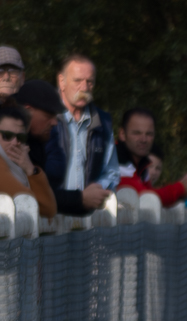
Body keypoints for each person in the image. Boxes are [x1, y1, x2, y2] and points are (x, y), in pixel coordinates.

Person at [46, 54, 117, 216]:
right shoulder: (44, 117)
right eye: (77, 81)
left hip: (87, 217)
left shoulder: (103, 122)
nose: (84, 87)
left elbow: (111, 172)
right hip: (49, 214)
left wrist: (95, 192)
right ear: (61, 82)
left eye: (90, 82)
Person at [115, 107, 187, 208]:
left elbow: (153, 199)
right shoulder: (114, 162)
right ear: (122, 134)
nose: (143, 139)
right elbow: (145, 197)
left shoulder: (141, 165)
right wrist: (181, 188)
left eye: (149, 134)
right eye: (137, 133)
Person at [0, 105, 56, 217]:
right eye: (7, 136)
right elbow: (46, 207)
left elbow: (49, 209)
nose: (15, 142)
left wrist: (31, 169)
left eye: (20, 137)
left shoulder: (18, 168)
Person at [13, 79, 66, 178]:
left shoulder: (40, 139)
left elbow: (53, 181)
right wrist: (31, 171)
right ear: (27, 111)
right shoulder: (7, 141)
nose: (55, 123)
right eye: (48, 116)